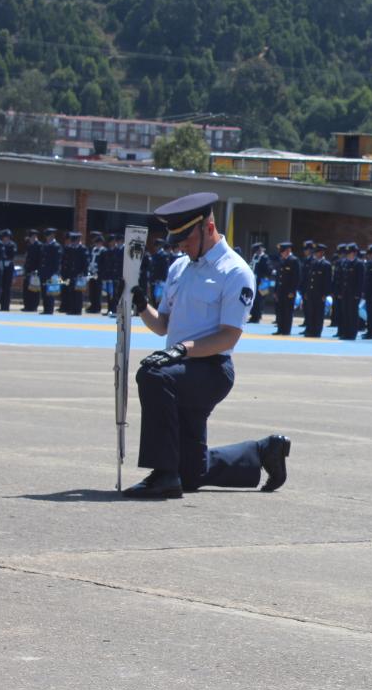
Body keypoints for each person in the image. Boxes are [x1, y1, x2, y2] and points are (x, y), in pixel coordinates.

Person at [123, 192, 290, 499]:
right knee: (191, 472)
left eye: (186, 239)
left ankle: (162, 474)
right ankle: (265, 452)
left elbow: (228, 336)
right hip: (178, 368)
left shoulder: (236, 271)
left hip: (210, 369)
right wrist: (141, 305)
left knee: (151, 375)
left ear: (208, 229)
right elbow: (163, 325)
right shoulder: (179, 267)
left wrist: (182, 350)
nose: (181, 246)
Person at [272, 241, 301, 336]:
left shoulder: (294, 260)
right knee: (280, 310)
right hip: (281, 291)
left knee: (287, 311)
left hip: (289, 291)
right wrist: (276, 291)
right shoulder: (282, 260)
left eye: (283, 251)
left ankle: (286, 330)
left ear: (288, 251)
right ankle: (280, 329)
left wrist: (293, 291)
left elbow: (296, 278)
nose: (282, 253)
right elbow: (278, 277)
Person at [22, 229, 42, 311]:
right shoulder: (29, 245)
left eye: (33, 237)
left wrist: (38, 270)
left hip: (35, 271)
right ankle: (27, 305)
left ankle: (33, 306)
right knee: (27, 288)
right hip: (28, 270)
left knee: (34, 289)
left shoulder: (39, 245)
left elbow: (41, 259)